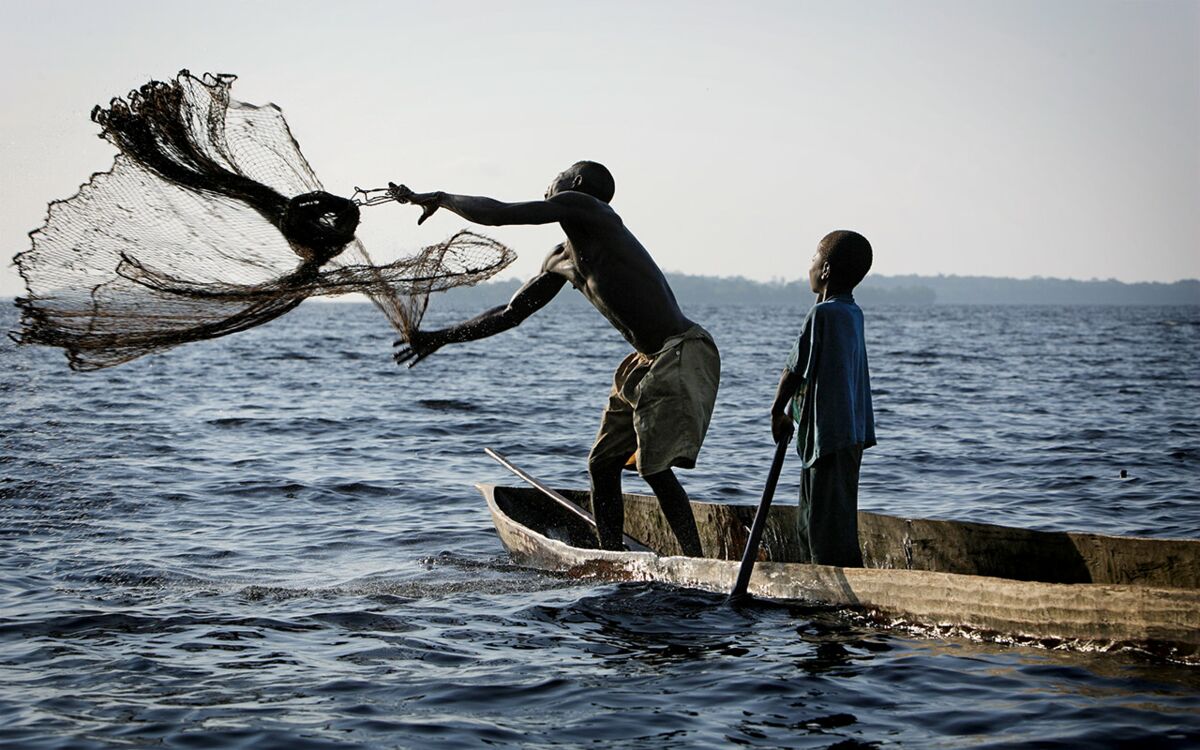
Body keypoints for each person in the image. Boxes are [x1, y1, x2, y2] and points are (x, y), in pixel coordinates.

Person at [389, 161, 719, 557]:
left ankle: (696, 562)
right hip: (645, 361)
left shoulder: (588, 208)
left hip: (679, 351)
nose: (548, 185)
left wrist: (441, 199)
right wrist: (442, 337)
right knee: (602, 464)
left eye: (556, 177)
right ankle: (610, 556)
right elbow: (510, 313)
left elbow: (499, 215)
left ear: (576, 184)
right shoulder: (560, 259)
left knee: (654, 467)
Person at [770, 230, 876, 567]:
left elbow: (794, 370)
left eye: (814, 258)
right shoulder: (849, 311)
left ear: (825, 269)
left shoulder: (823, 316)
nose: (809, 266)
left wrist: (776, 411)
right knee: (830, 518)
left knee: (820, 525)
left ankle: (827, 592)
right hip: (848, 435)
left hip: (827, 437)